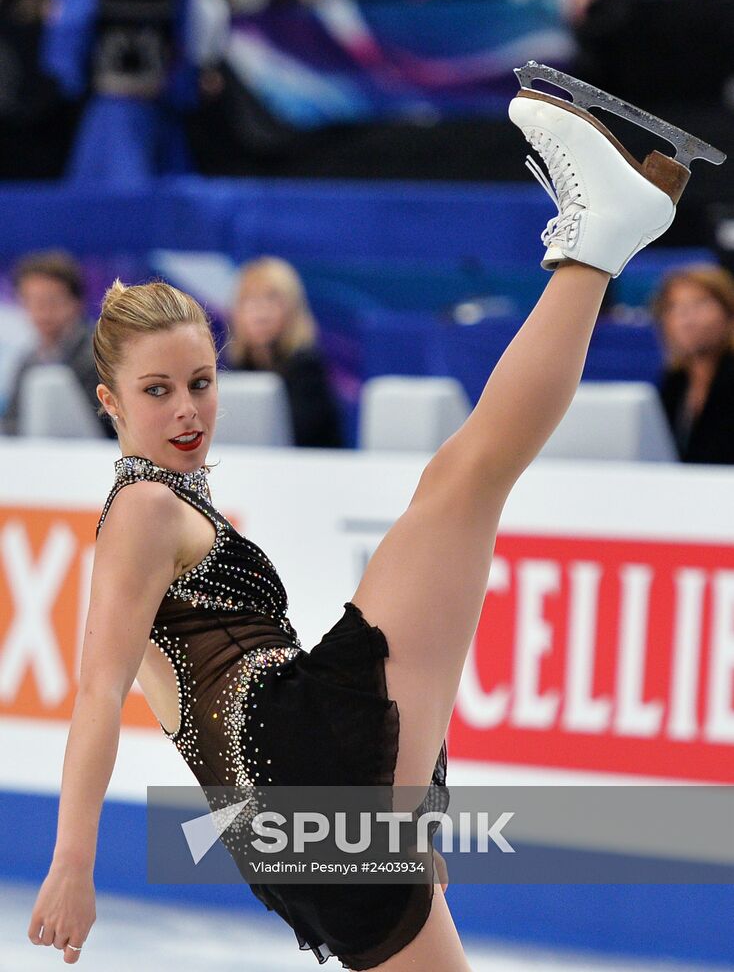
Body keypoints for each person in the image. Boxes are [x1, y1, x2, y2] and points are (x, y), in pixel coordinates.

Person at [27, 80, 692, 967]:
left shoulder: (163, 502)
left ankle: (604, 239)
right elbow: (96, 693)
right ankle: (597, 239)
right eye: (157, 392)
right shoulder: (145, 510)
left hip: (287, 813)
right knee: (463, 479)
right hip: (296, 759)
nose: (188, 410)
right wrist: (73, 862)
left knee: (464, 483)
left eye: (200, 383)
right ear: (108, 401)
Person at [226, 255, 344, 448]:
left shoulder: (308, 369)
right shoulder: (237, 370)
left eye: (271, 299)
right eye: (250, 300)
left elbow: (290, 438)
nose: (260, 312)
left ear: (292, 309)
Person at [1, 250, 113, 437]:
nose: (42, 311)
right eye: (32, 301)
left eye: (51, 301)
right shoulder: (28, 361)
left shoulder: (103, 355)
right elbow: (13, 424)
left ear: (76, 302)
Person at [651, 264, 734, 464]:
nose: (686, 319)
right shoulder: (674, 382)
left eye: (699, 304)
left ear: (728, 312)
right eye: (674, 307)